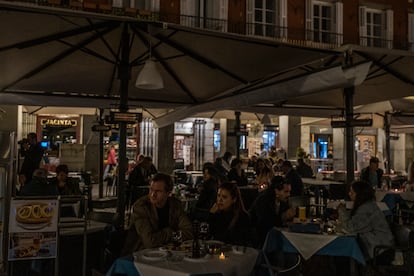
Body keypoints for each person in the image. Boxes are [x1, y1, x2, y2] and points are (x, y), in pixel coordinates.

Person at [121, 173, 193, 255]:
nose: (152, 195)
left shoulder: (175, 204)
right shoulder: (141, 206)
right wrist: (170, 233)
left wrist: (169, 236)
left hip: (167, 253)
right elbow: (149, 242)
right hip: (140, 253)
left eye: (158, 191)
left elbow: (189, 232)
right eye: (151, 190)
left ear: (168, 193)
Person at [338, 181, 394, 265]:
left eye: (352, 192)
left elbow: (350, 228)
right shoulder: (367, 206)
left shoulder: (366, 209)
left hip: (379, 250)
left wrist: (341, 211)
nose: (349, 194)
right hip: (377, 246)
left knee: (342, 255)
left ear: (359, 195)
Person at [249, 176, 296, 247]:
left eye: (289, 192)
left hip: (274, 236)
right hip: (258, 239)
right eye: (286, 192)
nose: (288, 195)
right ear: (276, 191)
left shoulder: (283, 202)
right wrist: (283, 217)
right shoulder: (263, 200)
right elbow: (264, 223)